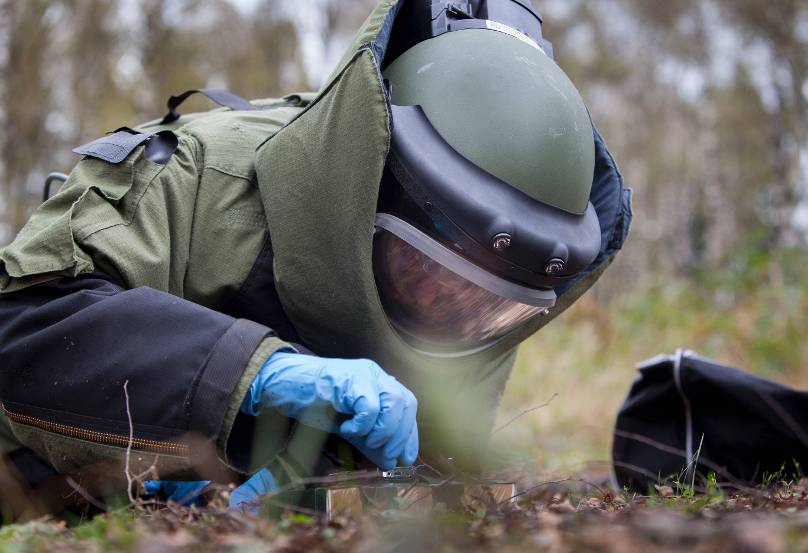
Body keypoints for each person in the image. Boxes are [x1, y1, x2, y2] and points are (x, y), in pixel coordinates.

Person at [0, 0, 631, 515]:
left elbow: (423, 463)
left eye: (490, 309)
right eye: (431, 273)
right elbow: (19, 329)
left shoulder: (481, 290)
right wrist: (251, 377)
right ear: (377, 200)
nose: (453, 308)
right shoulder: (189, 180)